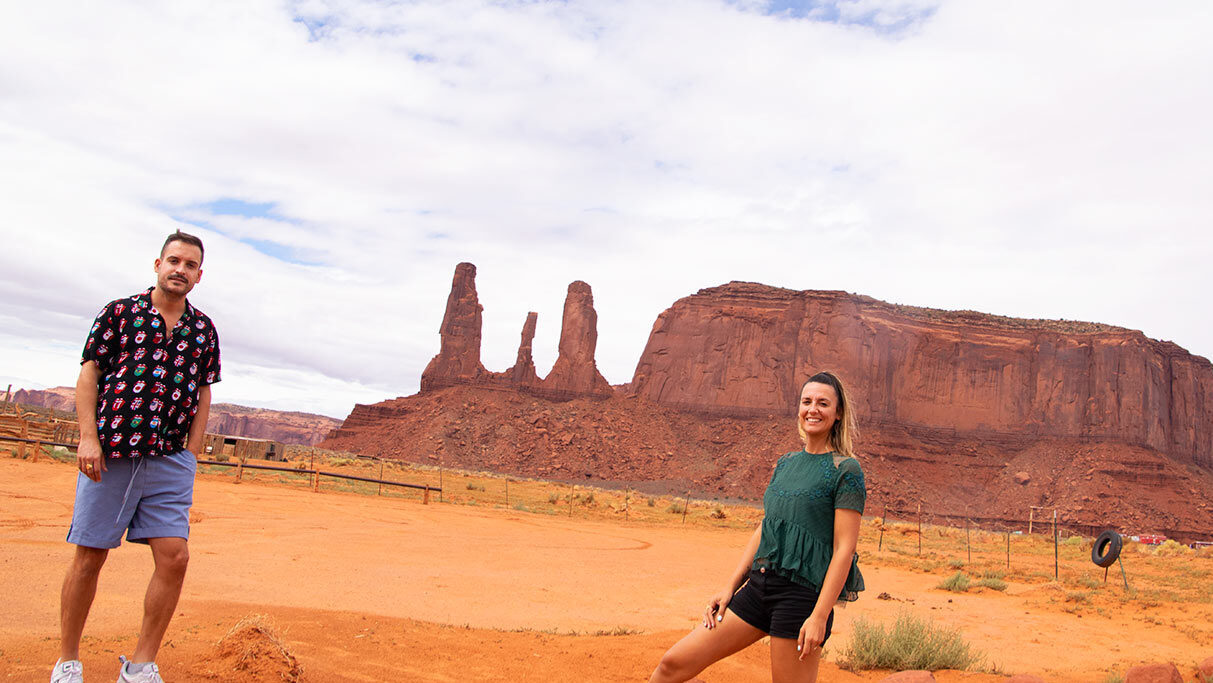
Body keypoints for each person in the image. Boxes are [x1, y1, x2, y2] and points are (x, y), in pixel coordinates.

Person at [51, 231, 220, 683]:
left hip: (170, 460)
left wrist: (192, 450)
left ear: (199, 276)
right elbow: (90, 373)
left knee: (175, 557)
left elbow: (203, 390)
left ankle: (141, 664)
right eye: (174, 260)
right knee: (89, 556)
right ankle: (68, 661)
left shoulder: (203, 329)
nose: (180, 269)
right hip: (111, 453)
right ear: (158, 264)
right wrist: (89, 438)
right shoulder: (119, 313)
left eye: (189, 265)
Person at [648, 371, 865, 683]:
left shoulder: (846, 469)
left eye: (823, 403)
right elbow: (767, 528)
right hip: (759, 587)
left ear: (838, 412)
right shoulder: (786, 463)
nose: (812, 409)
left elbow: (845, 549)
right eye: (806, 402)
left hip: (801, 598)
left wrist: (819, 616)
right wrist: (730, 587)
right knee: (672, 665)